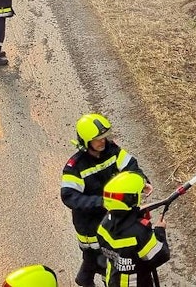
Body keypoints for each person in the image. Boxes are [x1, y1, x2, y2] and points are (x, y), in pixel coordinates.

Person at [61, 113, 152, 287]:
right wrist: (102, 202)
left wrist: (142, 181)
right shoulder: (75, 167)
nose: (103, 141)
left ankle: (84, 279)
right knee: (97, 258)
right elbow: (69, 196)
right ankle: (95, 281)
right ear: (86, 141)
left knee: (102, 258)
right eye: (98, 139)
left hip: (109, 217)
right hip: (89, 225)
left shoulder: (112, 150)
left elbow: (131, 166)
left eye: (104, 137)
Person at [98, 171, 170, 287]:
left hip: (113, 280)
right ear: (132, 199)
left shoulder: (104, 223)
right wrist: (160, 230)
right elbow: (160, 255)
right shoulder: (139, 231)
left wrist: (135, 214)